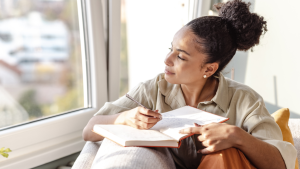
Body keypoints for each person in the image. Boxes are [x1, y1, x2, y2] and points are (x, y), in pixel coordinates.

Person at [82, 0, 297, 169]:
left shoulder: (244, 100)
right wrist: (123, 118)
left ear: (209, 69)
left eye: (181, 57)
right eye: (171, 49)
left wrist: (237, 137)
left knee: (226, 153)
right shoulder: (153, 89)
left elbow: (280, 163)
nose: (167, 60)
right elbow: (89, 130)